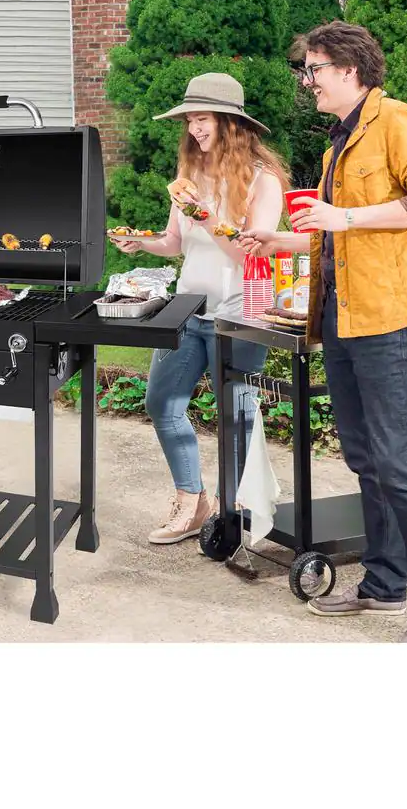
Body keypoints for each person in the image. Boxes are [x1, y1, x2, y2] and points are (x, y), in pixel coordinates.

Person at [240, 21, 407, 643]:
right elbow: (339, 237)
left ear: (349, 70)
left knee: (395, 459)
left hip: (389, 318)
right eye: (307, 70)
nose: (307, 81)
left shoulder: (398, 121)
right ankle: (384, 585)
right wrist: (280, 239)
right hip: (341, 318)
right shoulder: (336, 146)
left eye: (314, 69)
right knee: (366, 457)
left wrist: (342, 215)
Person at [110, 72, 288, 545]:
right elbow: (175, 242)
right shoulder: (189, 176)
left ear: (230, 122)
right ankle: (192, 502)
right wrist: (141, 241)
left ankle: (235, 511)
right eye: (189, 120)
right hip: (188, 309)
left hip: (240, 314)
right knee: (162, 402)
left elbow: (251, 254)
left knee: (237, 413)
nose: (194, 129)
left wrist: (205, 217)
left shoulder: (264, 180)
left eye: (202, 119)